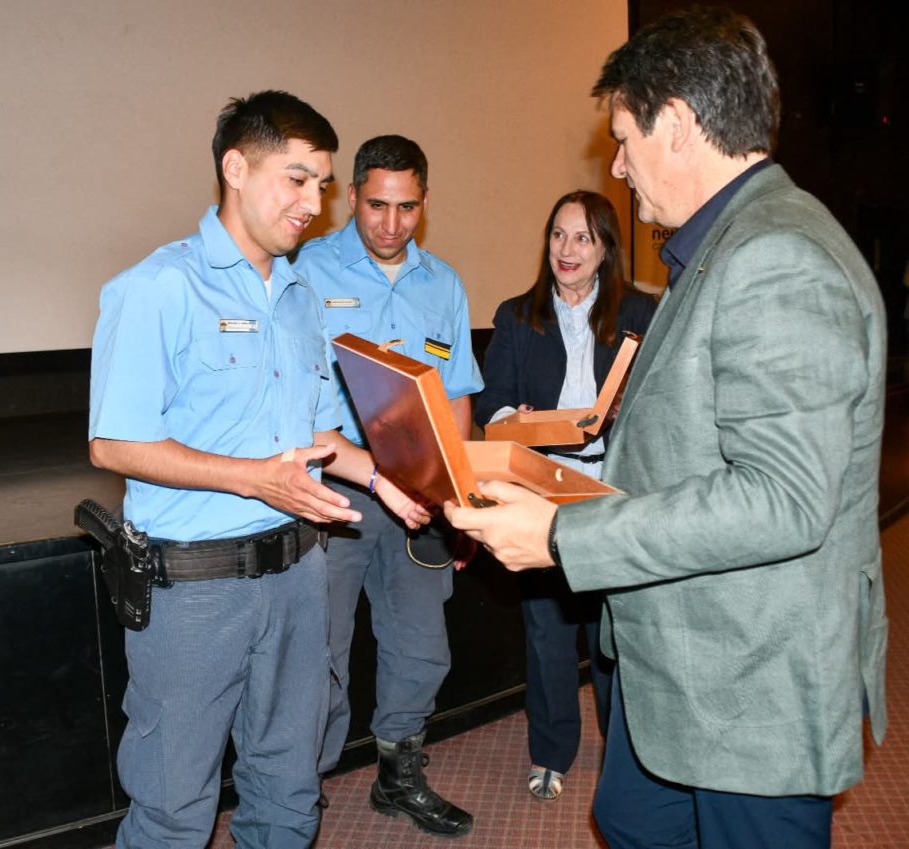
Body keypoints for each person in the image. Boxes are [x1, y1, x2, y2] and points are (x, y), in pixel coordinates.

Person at [445, 8, 888, 848]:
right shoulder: (724, 245)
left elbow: (782, 498)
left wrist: (564, 534)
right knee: (626, 818)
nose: (616, 164)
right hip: (686, 662)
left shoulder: (775, 258)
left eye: (623, 138)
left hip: (749, 684)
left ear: (677, 124)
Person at [88, 92, 429, 849]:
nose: (315, 203)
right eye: (297, 179)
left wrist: (381, 480)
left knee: (287, 791)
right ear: (235, 168)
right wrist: (254, 479)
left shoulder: (301, 295)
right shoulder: (159, 288)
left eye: (324, 184)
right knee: (175, 808)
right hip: (195, 592)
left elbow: (315, 432)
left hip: (299, 576)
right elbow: (114, 444)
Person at [294, 134, 481, 838]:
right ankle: (298, 786)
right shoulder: (310, 270)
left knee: (420, 646)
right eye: (377, 205)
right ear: (352, 197)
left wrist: (459, 500)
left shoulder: (445, 284)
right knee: (321, 655)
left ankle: (399, 775)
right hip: (338, 494)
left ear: (424, 204)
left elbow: (457, 395)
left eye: (406, 207)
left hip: (422, 498)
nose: (391, 223)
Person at [475, 190, 655, 800]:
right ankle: (551, 751)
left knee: (612, 629)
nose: (567, 250)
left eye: (582, 237)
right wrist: (514, 418)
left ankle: (624, 756)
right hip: (542, 491)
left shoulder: (640, 312)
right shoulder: (517, 314)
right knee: (547, 629)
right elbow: (489, 400)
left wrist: (630, 411)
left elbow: (662, 402)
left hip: (610, 491)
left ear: (605, 248)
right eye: (558, 235)